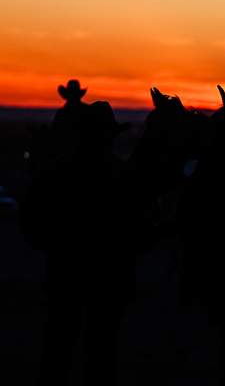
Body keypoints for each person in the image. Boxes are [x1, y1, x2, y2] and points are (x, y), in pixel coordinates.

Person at [21, 101, 149, 386]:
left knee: (57, 349)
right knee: (102, 354)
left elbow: (31, 228)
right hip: (109, 280)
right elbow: (143, 234)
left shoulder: (50, 172)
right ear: (111, 136)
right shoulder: (127, 178)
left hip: (65, 276)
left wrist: (62, 246)